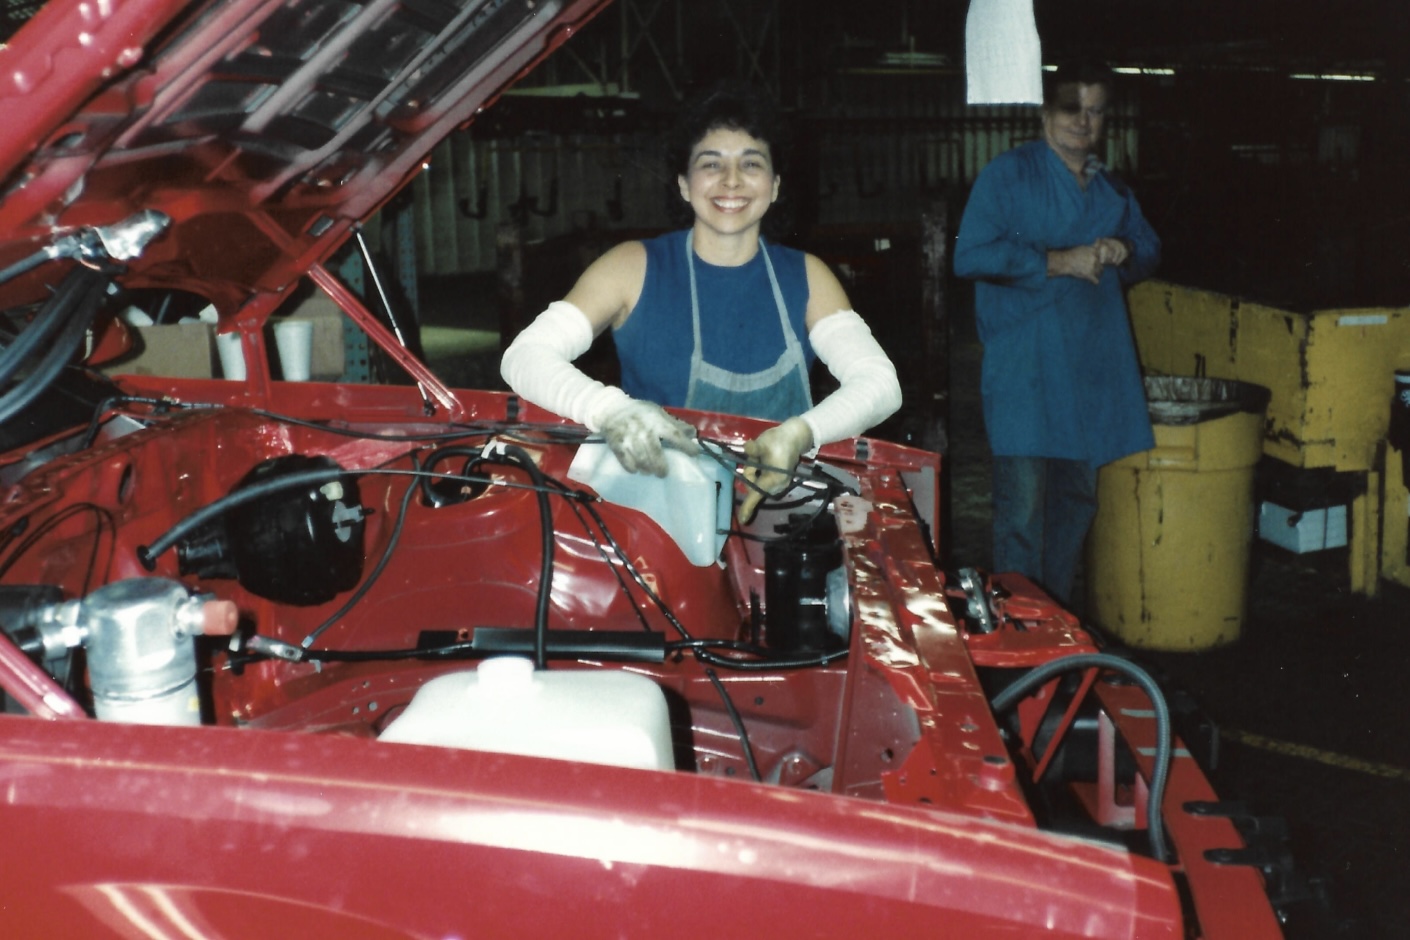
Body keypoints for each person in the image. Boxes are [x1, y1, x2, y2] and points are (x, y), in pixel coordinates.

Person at [501, 82, 901, 522]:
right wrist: (612, 411)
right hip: (654, 514)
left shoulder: (807, 276)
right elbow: (525, 356)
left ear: (775, 185)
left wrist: (802, 434)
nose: (732, 180)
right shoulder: (631, 268)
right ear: (684, 185)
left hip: (776, 508)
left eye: (751, 163)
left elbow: (880, 385)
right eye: (711, 164)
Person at [953, 60, 1161, 605]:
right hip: (1027, 372)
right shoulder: (1009, 175)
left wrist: (1127, 250)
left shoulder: (1111, 188)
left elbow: (1150, 249)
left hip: (1092, 373)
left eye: (1096, 111)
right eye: (1073, 108)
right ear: (1046, 111)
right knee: (1021, 513)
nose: (1083, 121)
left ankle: (1057, 623)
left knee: (1075, 504)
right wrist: (1057, 261)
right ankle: (1020, 637)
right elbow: (970, 254)